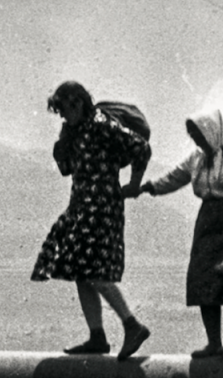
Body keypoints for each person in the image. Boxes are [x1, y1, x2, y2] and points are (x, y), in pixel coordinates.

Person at [31, 80, 152, 358]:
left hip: (101, 207)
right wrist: (62, 146)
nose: (63, 115)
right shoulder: (74, 132)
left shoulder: (100, 123)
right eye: (60, 110)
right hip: (81, 206)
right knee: (80, 271)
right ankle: (97, 336)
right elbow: (67, 169)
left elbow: (140, 148)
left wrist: (134, 184)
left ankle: (132, 325)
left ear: (78, 102)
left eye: (65, 108)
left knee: (92, 270)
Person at [141, 109, 223, 359]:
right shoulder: (196, 160)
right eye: (193, 136)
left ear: (213, 131)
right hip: (209, 223)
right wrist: (148, 187)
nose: (196, 140)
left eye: (199, 134)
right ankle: (213, 342)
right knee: (203, 279)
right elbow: (174, 177)